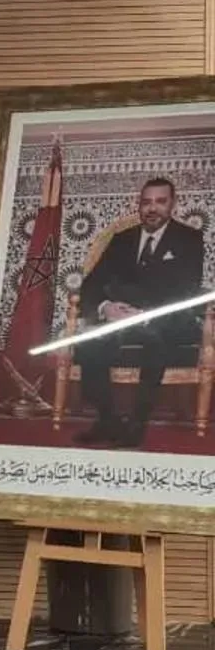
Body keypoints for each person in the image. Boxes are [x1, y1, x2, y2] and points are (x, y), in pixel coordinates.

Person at [75, 176, 204, 448]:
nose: (152, 208)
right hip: (122, 318)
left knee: (155, 338)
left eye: (160, 201)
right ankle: (107, 420)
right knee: (89, 340)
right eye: (146, 202)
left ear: (173, 204)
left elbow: (185, 289)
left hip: (165, 320)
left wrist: (143, 312)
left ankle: (137, 423)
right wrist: (107, 307)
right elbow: (92, 284)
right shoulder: (122, 240)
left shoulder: (189, 239)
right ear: (139, 205)